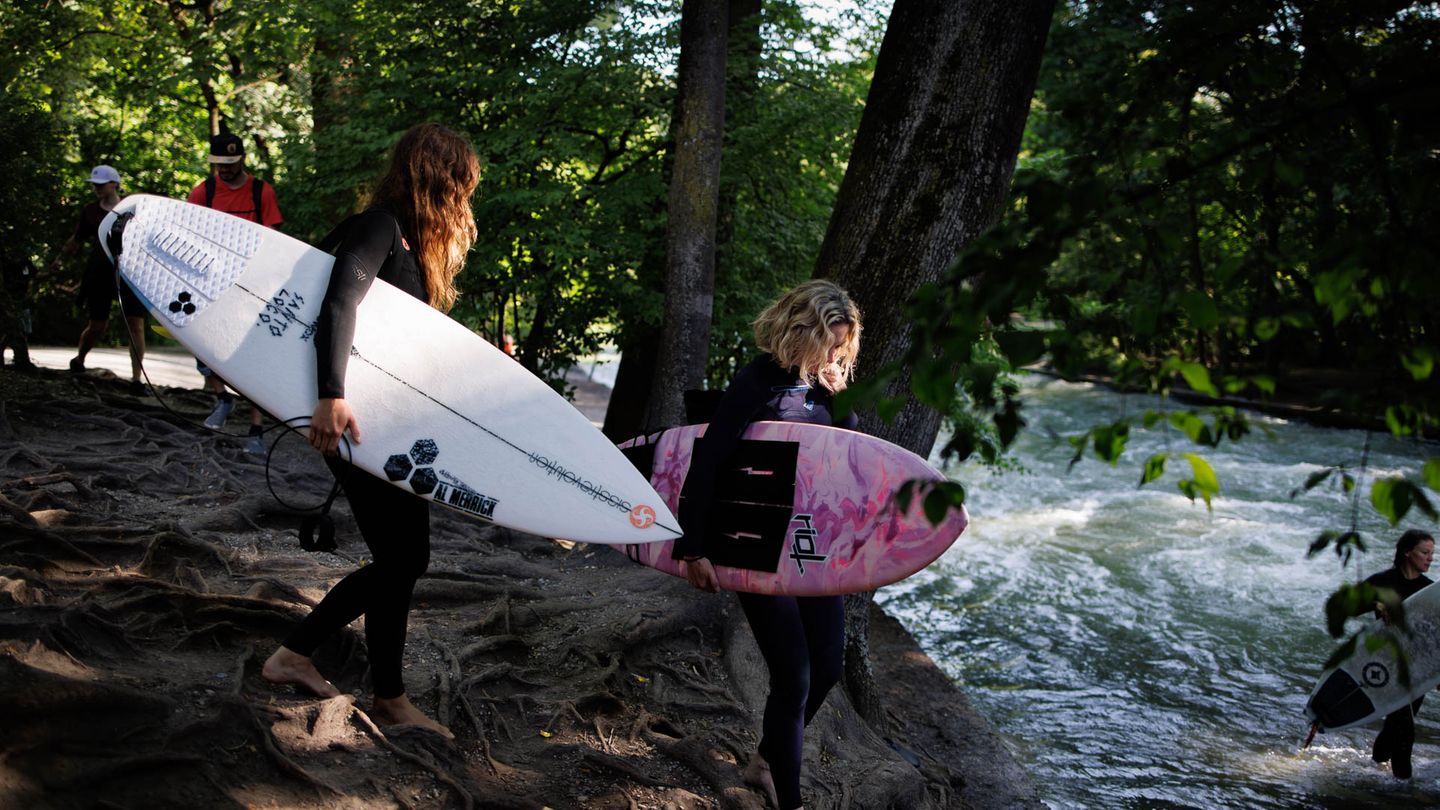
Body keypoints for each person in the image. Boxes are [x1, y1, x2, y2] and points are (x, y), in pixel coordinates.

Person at [261, 123, 480, 738]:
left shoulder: (409, 244)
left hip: (385, 423)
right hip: (350, 417)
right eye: (461, 182)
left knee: (402, 558)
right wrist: (330, 395)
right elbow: (337, 304)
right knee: (406, 557)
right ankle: (302, 658)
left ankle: (384, 693)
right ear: (437, 177)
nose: (466, 196)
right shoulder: (380, 226)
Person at [677, 279, 862, 810]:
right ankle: (789, 798)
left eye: (841, 345)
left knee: (827, 666)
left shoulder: (826, 383)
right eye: (829, 342)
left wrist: (835, 386)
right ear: (801, 329)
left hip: (809, 545)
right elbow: (708, 461)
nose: (834, 353)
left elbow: (849, 449)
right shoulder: (756, 381)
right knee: (794, 676)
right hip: (753, 542)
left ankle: (765, 759)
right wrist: (694, 547)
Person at [187, 133, 284, 454]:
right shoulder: (204, 192)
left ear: (242, 159)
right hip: (212, 283)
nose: (225, 170)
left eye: (230, 163)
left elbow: (273, 239)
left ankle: (256, 430)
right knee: (202, 349)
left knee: (254, 356)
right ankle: (223, 398)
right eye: (218, 164)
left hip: (253, 285)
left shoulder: (261, 191)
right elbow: (190, 235)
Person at [51, 165, 147, 394]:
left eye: (101, 184)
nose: (97, 188)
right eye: (95, 184)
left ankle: (137, 380)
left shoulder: (131, 209)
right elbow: (77, 238)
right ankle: (79, 359)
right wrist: (59, 260)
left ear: (114, 184)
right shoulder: (90, 211)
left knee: (136, 325)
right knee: (97, 325)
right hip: (99, 273)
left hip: (129, 273)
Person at [1364, 528, 1435, 779]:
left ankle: (1374, 765)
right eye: (1424, 552)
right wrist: (1376, 603)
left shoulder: (1430, 591)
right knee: (1404, 732)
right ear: (1407, 552)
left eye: (1432, 553)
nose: (1430, 558)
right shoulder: (1383, 581)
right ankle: (1403, 790)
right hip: (1386, 666)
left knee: (1396, 725)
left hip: (1417, 670)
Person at [0, 247, 38, 373]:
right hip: (11, 299)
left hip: (22, 299)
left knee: (23, 330)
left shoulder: (25, 263)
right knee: (13, 328)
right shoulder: (7, 262)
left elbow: (34, 275)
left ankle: (20, 358)